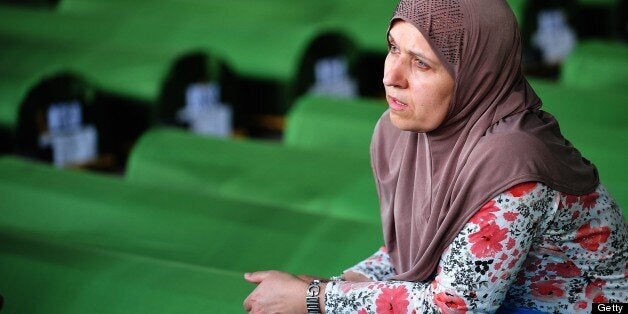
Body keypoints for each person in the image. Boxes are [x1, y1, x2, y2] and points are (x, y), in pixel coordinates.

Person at [243, 0, 628, 313]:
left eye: (421, 63)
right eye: (393, 47)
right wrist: (331, 286)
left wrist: (317, 300)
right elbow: (413, 258)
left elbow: (454, 307)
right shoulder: (404, 132)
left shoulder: (514, 165)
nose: (392, 76)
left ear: (476, 75)